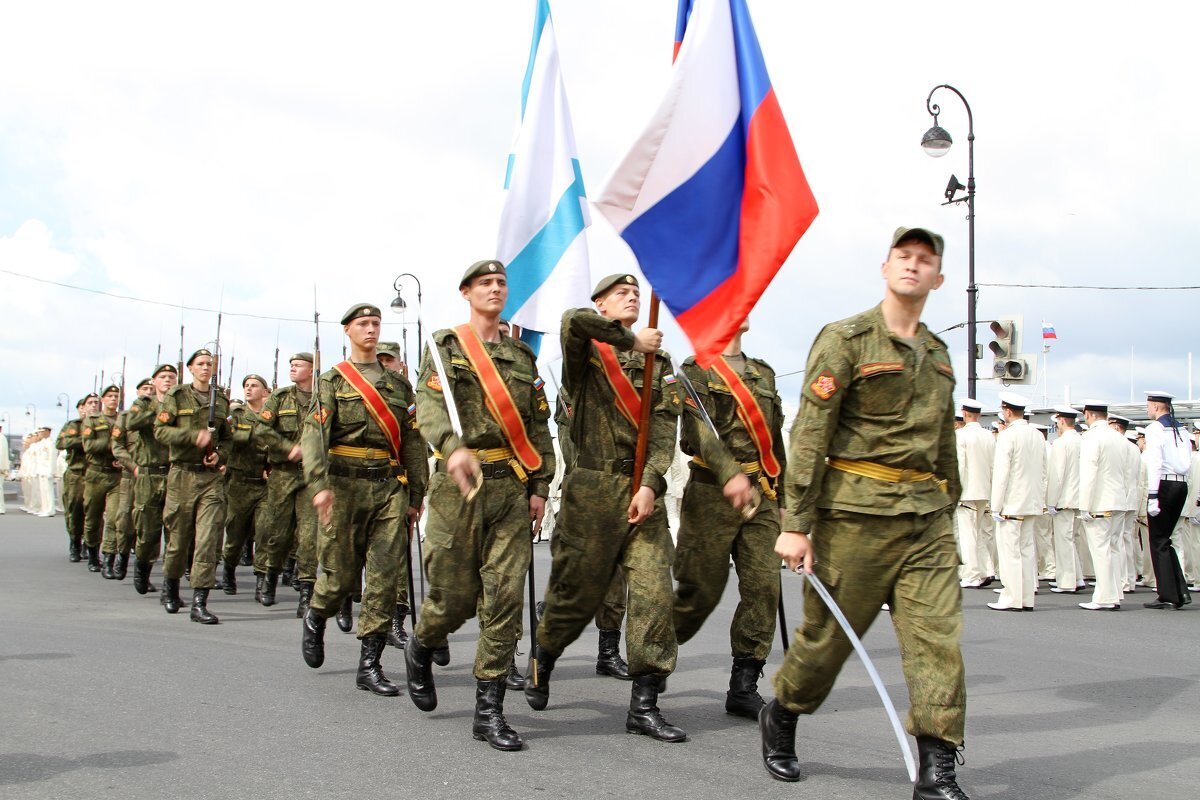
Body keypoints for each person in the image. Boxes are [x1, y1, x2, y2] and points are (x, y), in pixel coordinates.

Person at [763, 227, 968, 799]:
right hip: (855, 515)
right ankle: (783, 711)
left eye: (925, 261)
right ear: (885, 267)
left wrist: (949, 501)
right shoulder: (846, 339)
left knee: (937, 641)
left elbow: (942, 445)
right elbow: (810, 434)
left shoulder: (938, 354)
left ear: (938, 278)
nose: (913, 266)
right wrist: (796, 524)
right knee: (827, 639)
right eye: (904, 257)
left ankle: (937, 766)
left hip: (925, 520)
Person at [518, 273, 684, 745]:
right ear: (602, 305)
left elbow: (663, 430)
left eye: (636, 293)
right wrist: (629, 337)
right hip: (591, 491)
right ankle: (543, 658)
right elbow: (572, 322)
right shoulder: (588, 354)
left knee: (654, 595)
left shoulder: (661, 362)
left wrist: (651, 484)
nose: (632, 297)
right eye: (621, 294)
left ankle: (645, 705)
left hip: (640, 494)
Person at [403, 261, 553, 751]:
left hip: (510, 485)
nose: (495, 289)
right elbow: (426, 409)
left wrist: (539, 483)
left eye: (501, 283)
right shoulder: (445, 347)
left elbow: (536, 427)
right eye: (485, 283)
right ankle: (423, 644)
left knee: (505, 596)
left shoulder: (522, 358)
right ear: (466, 292)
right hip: (457, 483)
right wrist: (451, 445)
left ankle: (488, 711)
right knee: (451, 596)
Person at [300, 304, 428, 697]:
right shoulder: (331, 382)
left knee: (385, 577)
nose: (371, 329)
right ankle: (316, 616)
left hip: (389, 487)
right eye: (363, 324)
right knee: (339, 577)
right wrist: (319, 486)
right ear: (348, 331)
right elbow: (314, 438)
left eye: (376, 323)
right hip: (343, 486)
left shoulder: (398, 386)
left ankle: (369, 664)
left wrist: (416, 494)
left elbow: (413, 443)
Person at [672, 316, 785, 720]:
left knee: (764, 587)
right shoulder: (694, 369)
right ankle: (654, 653)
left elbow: (774, 440)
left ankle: (744, 682)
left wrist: (784, 498)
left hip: (762, 494)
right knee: (699, 591)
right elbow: (696, 433)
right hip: (711, 492)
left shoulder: (763, 374)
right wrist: (730, 473)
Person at [154, 348, 232, 623]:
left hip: (210, 478)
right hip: (182, 476)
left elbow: (228, 439)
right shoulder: (177, 396)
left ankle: (200, 601)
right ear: (190, 368)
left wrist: (218, 454)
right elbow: (160, 431)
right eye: (200, 363)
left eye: (210, 364)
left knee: (208, 539)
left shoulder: (220, 399)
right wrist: (192, 437)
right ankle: (171, 587)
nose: (206, 367)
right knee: (178, 540)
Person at [254, 353, 318, 615]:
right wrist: (286, 447)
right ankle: (270, 576)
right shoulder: (280, 398)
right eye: (291, 365)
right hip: (283, 474)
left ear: (313, 369)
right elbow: (262, 429)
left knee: (309, 535)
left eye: (299, 364)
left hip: (311, 476)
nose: (293, 368)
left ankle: (306, 592)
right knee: (277, 532)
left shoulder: (323, 398)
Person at [986, 393, 1044, 612]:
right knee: (1027, 552)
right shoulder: (1037, 435)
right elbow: (1043, 471)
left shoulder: (1008, 436)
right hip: (1032, 501)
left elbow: (1002, 474)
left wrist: (996, 505)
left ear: (1007, 411)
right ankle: (1026, 598)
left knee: (1010, 554)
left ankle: (1012, 598)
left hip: (1012, 503)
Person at [123, 365, 177, 594]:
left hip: (175, 472)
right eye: (162, 377)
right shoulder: (144, 404)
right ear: (154, 381)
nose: (167, 380)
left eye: (171, 377)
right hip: (149, 473)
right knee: (148, 532)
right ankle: (142, 568)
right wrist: (159, 414)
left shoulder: (181, 402)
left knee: (176, 534)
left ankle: (169, 586)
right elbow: (131, 423)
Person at [217, 375, 271, 596]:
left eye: (254, 386)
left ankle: (261, 580)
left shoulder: (272, 416)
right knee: (236, 535)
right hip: (239, 484)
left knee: (265, 531)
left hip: (265, 484)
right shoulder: (235, 417)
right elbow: (227, 442)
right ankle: (229, 568)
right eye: (246, 386)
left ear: (265, 392)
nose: (249, 389)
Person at [1141, 390, 1193, 608]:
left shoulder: (1155, 428)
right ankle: (1179, 591)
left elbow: (1154, 462)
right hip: (1181, 484)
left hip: (1164, 484)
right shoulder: (1180, 428)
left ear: (1154, 406)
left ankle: (1168, 595)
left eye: (1148, 405)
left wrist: (1152, 495)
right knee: (1166, 539)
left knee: (1158, 541)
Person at [1076, 400, 1127, 611]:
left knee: (1101, 550)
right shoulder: (1118, 437)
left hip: (1099, 501)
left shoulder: (1091, 437)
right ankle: (1114, 594)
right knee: (1114, 549)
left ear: (1088, 414)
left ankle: (1104, 597)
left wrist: (1084, 505)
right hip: (1118, 500)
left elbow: (1089, 473)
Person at [110, 379, 156, 580]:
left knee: (148, 525)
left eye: (151, 389)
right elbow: (118, 446)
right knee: (125, 519)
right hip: (131, 475)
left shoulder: (162, 415)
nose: (148, 392)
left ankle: (144, 568)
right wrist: (133, 467)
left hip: (153, 475)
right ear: (137, 392)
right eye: (144, 389)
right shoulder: (126, 417)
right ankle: (121, 555)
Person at [81, 385, 124, 574]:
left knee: (114, 518)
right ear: (103, 400)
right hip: (96, 475)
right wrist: (113, 445)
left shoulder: (123, 419)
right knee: (93, 518)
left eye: (116, 396)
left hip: (116, 475)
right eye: (110, 396)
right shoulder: (92, 420)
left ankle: (108, 559)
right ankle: (92, 553)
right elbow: (89, 445)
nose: (113, 399)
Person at [954, 399, 995, 588]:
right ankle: (986, 570)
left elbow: (960, 466)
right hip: (984, 491)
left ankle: (971, 574)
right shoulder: (988, 436)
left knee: (967, 535)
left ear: (964, 413)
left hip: (967, 492)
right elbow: (995, 466)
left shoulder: (960, 435)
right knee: (978, 533)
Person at [1047, 405, 1084, 594]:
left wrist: (1051, 501)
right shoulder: (1082, 440)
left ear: (1061, 421)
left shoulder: (1061, 443)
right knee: (1073, 539)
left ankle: (1067, 581)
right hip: (1080, 498)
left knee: (1064, 541)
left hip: (1065, 499)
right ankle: (1076, 577)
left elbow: (1057, 475)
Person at [57, 395, 97, 561]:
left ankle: (90, 544)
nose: (94, 405)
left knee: (94, 512)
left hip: (95, 473)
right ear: (83, 407)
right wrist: (87, 441)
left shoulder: (102, 423)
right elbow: (61, 443)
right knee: (74, 510)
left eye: (96, 403)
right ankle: (75, 541)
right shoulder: (73, 425)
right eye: (90, 403)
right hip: (77, 473)